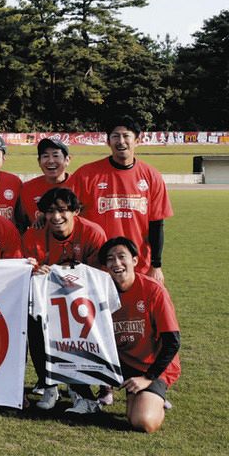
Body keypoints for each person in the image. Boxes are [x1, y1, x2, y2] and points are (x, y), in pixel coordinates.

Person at [21, 187, 109, 410]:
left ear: (76, 211)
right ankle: (49, 384)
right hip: (46, 301)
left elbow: (98, 276)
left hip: (82, 300)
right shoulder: (33, 234)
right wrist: (35, 271)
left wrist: (65, 272)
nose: (56, 217)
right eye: (50, 211)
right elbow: (27, 270)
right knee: (34, 319)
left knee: (77, 331)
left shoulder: (92, 233)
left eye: (62, 210)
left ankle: (80, 387)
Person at [71, 118, 173, 282]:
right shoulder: (87, 174)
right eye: (115, 136)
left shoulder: (152, 176)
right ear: (108, 141)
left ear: (137, 140)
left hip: (138, 265)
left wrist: (156, 265)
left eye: (126, 136)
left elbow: (156, 225)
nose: (121, 141)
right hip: (96, 264)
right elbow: (64, 211)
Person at [100, 237, 181, 433]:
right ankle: (137, 395)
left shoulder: (153, 291)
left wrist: (148, 377)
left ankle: (154, 398)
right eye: (110, 259)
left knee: (143, 421)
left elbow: (172, 341)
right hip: (125, 365)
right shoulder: (101, 291)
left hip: (152, 367)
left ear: (135, 260)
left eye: (122, 257)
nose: (116, 263)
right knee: (135, 415)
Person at [15, 138, 72, 232]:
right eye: (45, 156)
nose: (50, 161)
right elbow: (21, 224)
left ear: (67, 160)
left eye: (55, 155)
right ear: (39, 162)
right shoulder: (27, 188)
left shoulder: (79, 185)